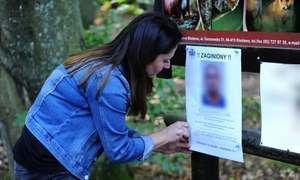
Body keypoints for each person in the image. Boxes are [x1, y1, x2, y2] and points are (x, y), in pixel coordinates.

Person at [13, 13, 190, 180]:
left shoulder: (103, 63)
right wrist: (163, 136)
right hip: (48, 169)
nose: (167, 66)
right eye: (165, 60)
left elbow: (108, 129)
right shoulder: (109, 83)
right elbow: (118, 150)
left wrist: (156, 144)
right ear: (146, 53)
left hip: (35, 157)